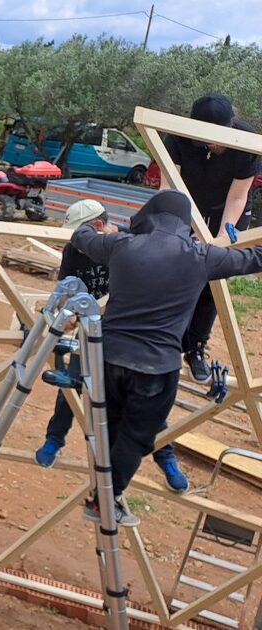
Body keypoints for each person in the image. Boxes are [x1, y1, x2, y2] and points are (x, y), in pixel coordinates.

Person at [70, 190, 262, 525]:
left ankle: (102, 492)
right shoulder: (201, 256)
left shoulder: (121, 245)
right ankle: (104, 499)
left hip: (107, 359)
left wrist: (98, 229)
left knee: (111, 426)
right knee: (136, 436)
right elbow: (253, 260)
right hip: (155, 369)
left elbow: (81, 237)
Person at [34, 201, 190, 494]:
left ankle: (166, 459)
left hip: (128, 337)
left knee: (146, 406)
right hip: (91, 330)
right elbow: (68, 283)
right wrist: (67, 312)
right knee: (71, 385)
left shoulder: (131, 244)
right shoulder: (74, 250)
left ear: (96, 228)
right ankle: (54, 440)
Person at [163, 94, 262, 383]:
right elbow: (170, 186)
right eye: (208, 141)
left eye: (220, 139)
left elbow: (238, 195)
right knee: (174, 268)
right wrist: (176, 224)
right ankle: (171, 339)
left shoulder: (248, 143)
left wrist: (220, 239)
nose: (215, 146)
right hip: (188, 203)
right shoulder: (177, 140)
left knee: (213, 278)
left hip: (229, 209)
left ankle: (195, 348)